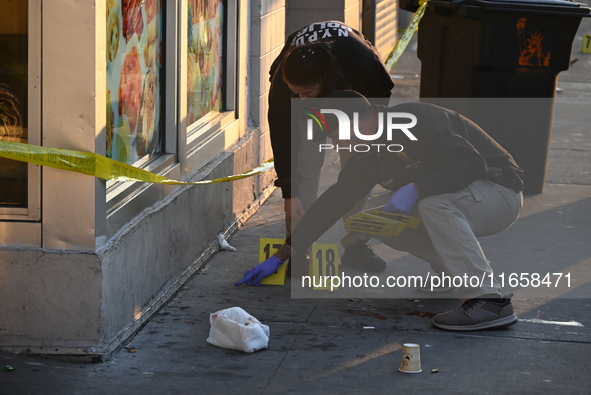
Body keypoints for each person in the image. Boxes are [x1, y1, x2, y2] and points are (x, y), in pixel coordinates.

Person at [238, 91, 525, 332]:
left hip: (499, 194)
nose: (336, 144)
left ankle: (488, 301)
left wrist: (417, 187)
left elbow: (474, 164)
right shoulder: (369, 152)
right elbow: (335, 200)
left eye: (335, 134)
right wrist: (283, 254)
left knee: (433, 203)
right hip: (464, 198)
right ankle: (452, 271)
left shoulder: (419, 120)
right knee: (370, 219)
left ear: (360, 121)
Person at [268, 21, 395, 272]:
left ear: (324, 78)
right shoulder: (284, 88)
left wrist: (360, 134)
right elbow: (282, 137)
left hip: (353, 89)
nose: (301, 98)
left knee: (361, 172)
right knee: (304, 169)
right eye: (297, 94)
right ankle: (298, 250)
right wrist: (289, 192)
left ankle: (356, 244)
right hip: (310, 106)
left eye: (307, 92)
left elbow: (380, 103)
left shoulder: (362, 65)